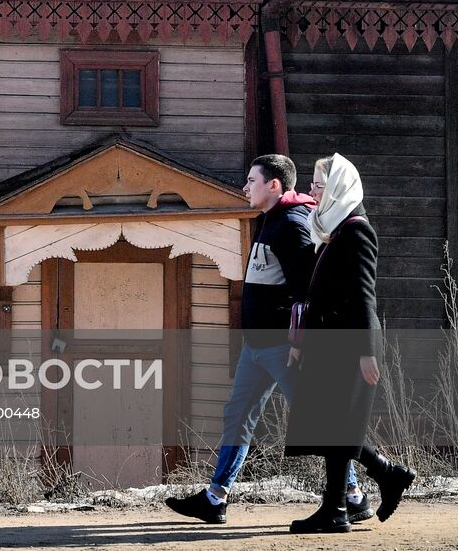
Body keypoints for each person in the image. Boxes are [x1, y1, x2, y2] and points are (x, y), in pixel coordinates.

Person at [166, 154, 369, 525]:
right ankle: (216, 498)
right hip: (255, 347)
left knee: (318, 419)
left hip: (282, 346)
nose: (245, 186)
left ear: (274, 185)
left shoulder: (293, 225)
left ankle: (353, 496)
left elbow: (307, 290)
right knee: (237, 415)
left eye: (252, 180)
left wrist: (298, 343)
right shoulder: (268, 221)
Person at [285, 154, 415, 534]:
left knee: (336, 427)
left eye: (318, 185)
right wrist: (302, 341)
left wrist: (367, 350)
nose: (311, 190)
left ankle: (339, 507)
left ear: (338, 188)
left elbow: (364, 295)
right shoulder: (333, 229)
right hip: (329, 343)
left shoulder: (356, 230)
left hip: (347, 345)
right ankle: (382, 478)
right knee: (331, 425)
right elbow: (318, 292)